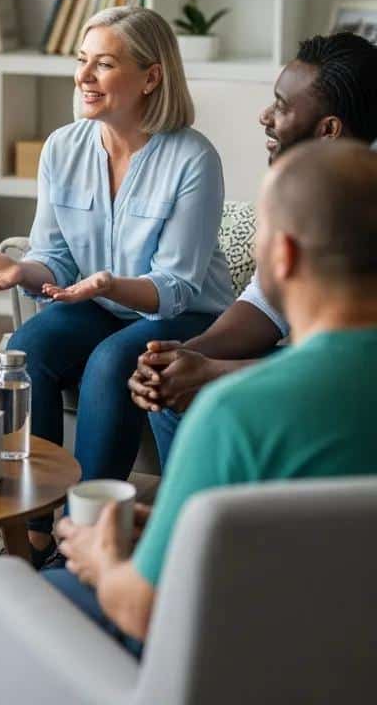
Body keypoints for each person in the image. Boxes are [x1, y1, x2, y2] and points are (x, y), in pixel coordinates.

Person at [49, 139, 377, 652]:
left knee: (38, 590)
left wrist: (102, 561)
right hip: (349, 656)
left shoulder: (233, 414)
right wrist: (172, 527)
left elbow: (143, 609)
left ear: (284, 256)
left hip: (251, 662)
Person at [0, 6, 233, 565]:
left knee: (111, 362)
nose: (83, 76)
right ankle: (34, 526)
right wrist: (23, 271)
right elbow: (54, 256)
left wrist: (105, 284)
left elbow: (175, 286)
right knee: (26, 349)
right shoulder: (63, 147)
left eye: (103, 64)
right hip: (101, 302)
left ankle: (86, 534)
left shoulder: (193, 158)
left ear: (150, 77)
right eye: (82, 60)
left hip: (185, 315)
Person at [129, 31, 377, 467]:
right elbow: (265, 304)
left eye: (282, 106)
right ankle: (196, 506)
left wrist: (215, 373)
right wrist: (189, 355)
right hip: (327, 365)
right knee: (174, 387)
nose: (265, 116)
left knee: (210, 395)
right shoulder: (309, 188)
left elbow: (357, 368)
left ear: (328, 130)